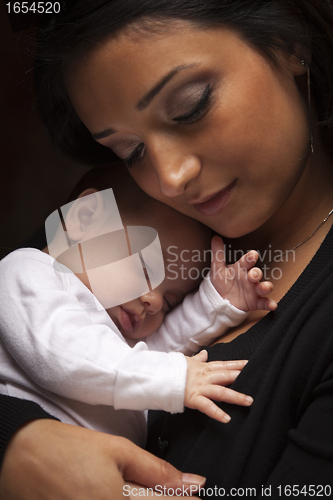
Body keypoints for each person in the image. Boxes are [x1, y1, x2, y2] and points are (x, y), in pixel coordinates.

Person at [1, 0, 333, 497]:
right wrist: (18, 445)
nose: (171, 179)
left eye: (191, 106)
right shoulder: (106, 230)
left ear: (290, 42)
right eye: (130, 151)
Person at [0, 165, 275, 444]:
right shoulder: (25, 271)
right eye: (146, 268)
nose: (154, 301)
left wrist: (216, 301)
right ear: (84, 220)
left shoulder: (116, 340)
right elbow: (62, 354)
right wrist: (176, 379)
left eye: (170, 302)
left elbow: (151, 354)